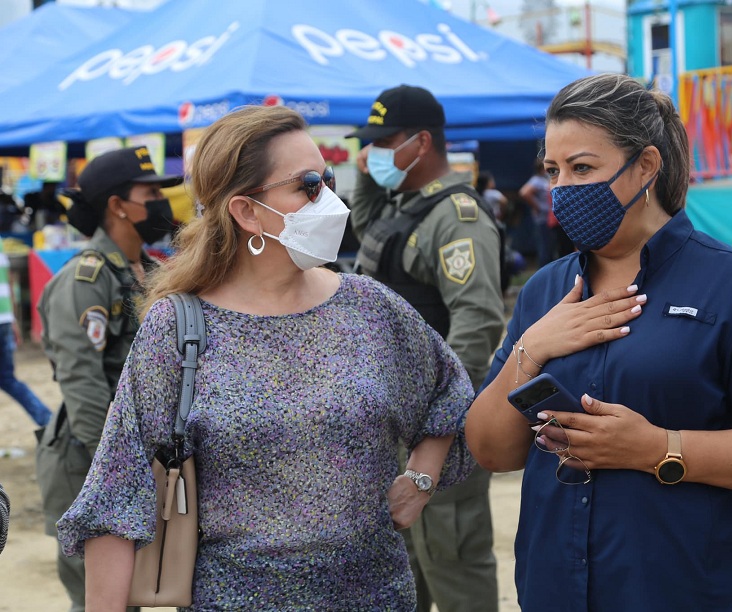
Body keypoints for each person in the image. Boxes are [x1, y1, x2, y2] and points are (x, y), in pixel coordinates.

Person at [56, 105, 475, 610]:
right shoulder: (179, 328)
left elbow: (450, 396)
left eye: (329, 180)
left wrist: (421, 478)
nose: (331, 201)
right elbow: (116, 497)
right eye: (310, 186)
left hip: (376, 596)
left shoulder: (371, 306)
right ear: (247, 211)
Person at [465, 73, 732, 611]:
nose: (563, 187)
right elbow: (491, 449)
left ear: (646, 165)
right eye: (553, 170)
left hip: (687, 590)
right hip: (555, 592)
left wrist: (658, 449)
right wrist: (533, 347)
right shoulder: (546, 290)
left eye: (583, 167)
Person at [347, 84, 504, 612]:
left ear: (421, 143)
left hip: (438, 430)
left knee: (453, 564)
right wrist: (367, 173)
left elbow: (477, 322)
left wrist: (439, 425)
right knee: (402, 572)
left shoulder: (457, 218)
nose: (372, 153)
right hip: (394, 423)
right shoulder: (405, 209)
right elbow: (368, 235)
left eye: (383, 142)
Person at [35, 145, 181, 612]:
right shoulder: (86, 279)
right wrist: (118, 469)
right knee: (102, 597)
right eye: (151, 192)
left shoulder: (152, 270)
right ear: (118, 205)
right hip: (91, 459)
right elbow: (83, 384)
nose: (162, 201)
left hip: (142, 458)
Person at [0, 240, 52, 427]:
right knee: (7, 378)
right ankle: (46, 419)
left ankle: (47, 419)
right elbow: (9, 282)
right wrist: (13, 319)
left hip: (5, 319)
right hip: (5, 319)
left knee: (7, 378)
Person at [518, 157, 555, 268]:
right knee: (545, 248)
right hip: (543, 219)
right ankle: (544, 270)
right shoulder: (536, 180)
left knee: (551, 247)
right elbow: (524, 193)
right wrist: (538, 207)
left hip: (550, 219)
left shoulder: (545, 179)